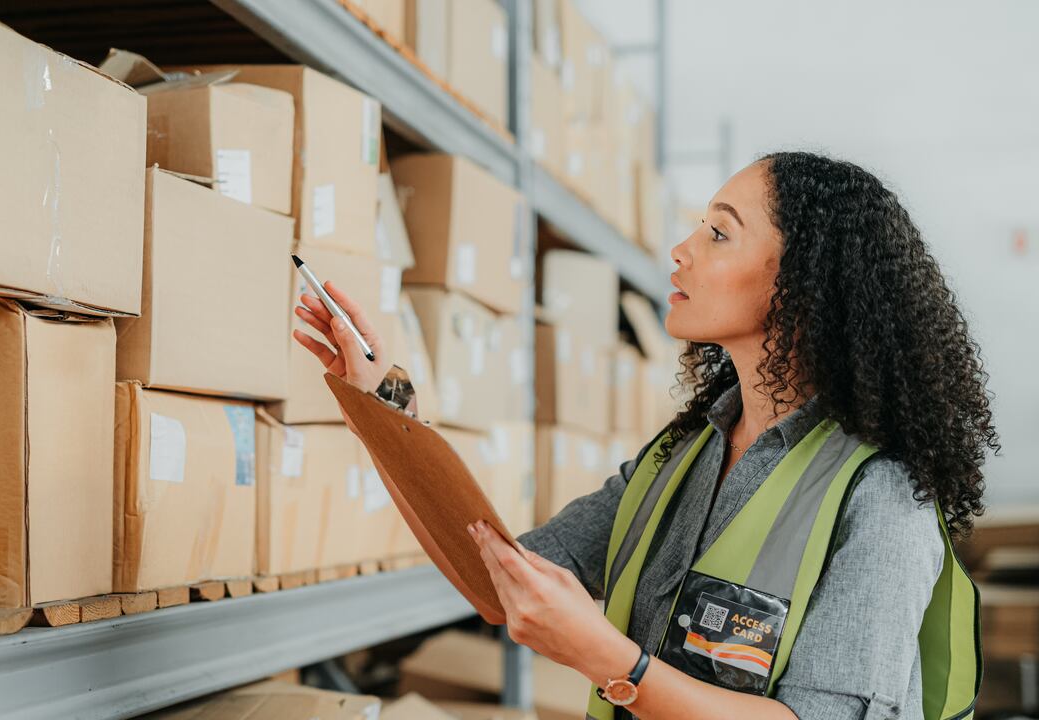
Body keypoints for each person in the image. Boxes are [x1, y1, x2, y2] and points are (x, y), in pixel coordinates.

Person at [292, 151, 995, 720]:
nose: (681, 250)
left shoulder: (882, 494)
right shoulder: (677, 459)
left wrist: (611, 662)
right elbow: (496, 579)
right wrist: (380, 407)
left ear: (804, 286)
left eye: (719, 233)